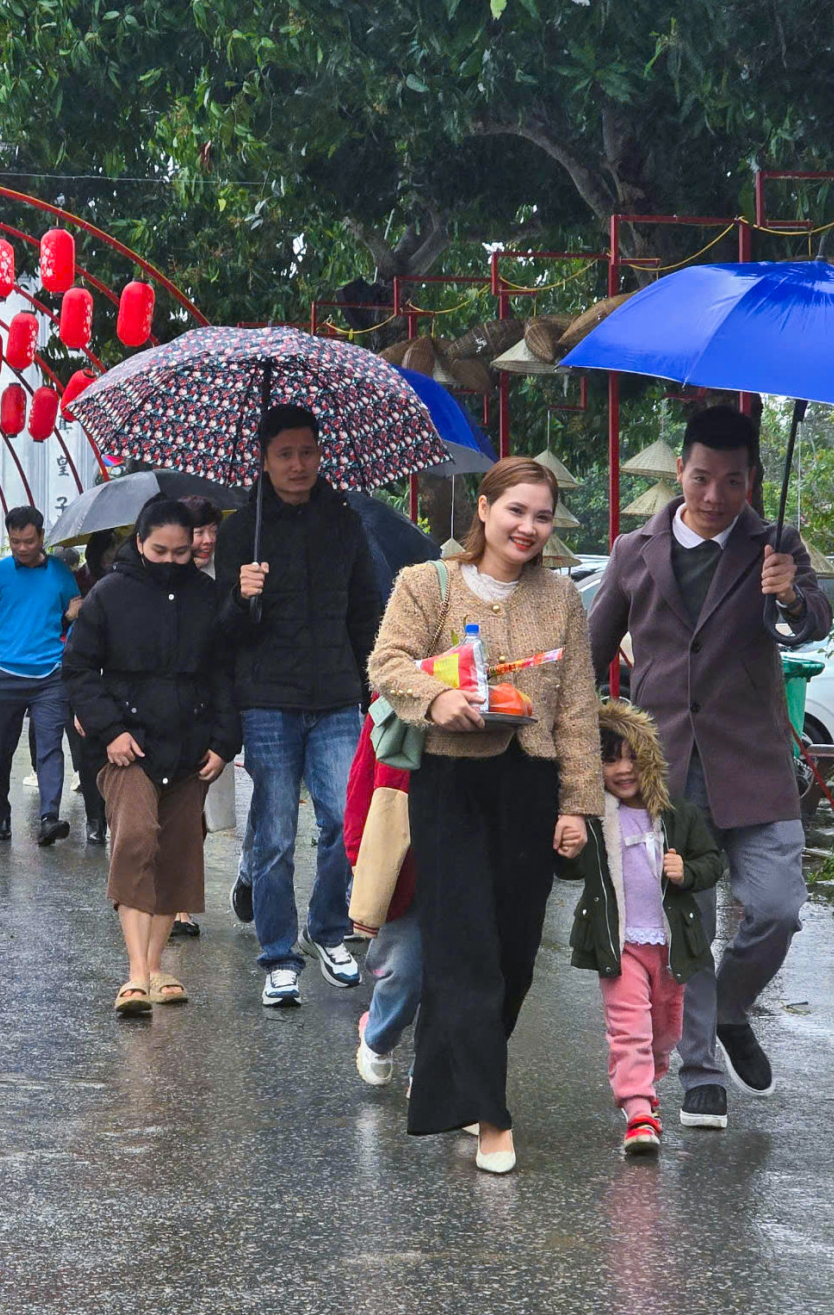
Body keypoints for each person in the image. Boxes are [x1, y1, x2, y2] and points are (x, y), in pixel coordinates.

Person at [588, 405, 831, 1130]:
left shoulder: (774, 542)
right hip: (668, 764)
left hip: (754, 764)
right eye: (702, 477)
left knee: (778, 908)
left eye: (732, 480)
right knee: (685, 920)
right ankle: (699, 1072)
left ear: (753, 480)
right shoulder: (635, 549)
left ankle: (728, 1009)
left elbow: (811, 621)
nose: (716, 494)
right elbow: (593, 644)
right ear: (679, 473)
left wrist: (788, 591)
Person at [367, 456, 601, 1172]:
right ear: (485, 509)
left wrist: (578, 806)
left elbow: (580, 708)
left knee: (513, 956)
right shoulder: (425, 583)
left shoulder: (562, 596)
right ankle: (492, 1115)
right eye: (516, 511)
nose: (528, 527)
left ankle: (456, 1081)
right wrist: (437, 699)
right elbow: (386, 662)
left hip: (528, 788)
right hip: (451, 785)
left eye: (541, 516)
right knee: (465, 949)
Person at [216, 405, 382, 1004]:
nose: (298, 464)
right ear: (263, 459)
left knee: (343, 820)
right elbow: (220, 629)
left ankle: (327, 928)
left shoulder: (343, 520)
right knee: (276, 831)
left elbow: (366, 608)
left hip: (336, 695)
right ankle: (278, 952)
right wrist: (241, 596)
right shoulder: (242, 529)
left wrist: (373, 685)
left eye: (307, 451)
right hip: (267, 702)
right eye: (285, 453)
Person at [64, 498, 240, 1015]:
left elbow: (225, 673)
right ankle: (137, 972)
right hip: (125, 747)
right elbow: (77, 669)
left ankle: (157, 966)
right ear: (138, 542)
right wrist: (110, 730)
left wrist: (224, 743)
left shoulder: (208, 596)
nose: (169, 559)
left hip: (191, 744)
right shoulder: (108, 595)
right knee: (138, 837)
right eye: (159, 549)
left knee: (180, 852)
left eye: (181, 552)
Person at [561, 700, 726, 1158]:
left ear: (650, 759)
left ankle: (647, 1083)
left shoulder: (678, 815)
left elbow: (714, 861)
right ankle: (638, 1111)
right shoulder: (595, 822)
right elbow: (570, 873)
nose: (623, 769)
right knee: (628, 1028)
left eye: (632, 756)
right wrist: (568, 848)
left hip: (672, 949)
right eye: (609, 759)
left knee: (664, 1031)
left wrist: (687, 871)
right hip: (620, 946)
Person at [0, 505, 83, 845]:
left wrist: (71, 614)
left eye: (27, 541)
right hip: (5, 676)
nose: (21, 548)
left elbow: (75, 612)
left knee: (50, 747)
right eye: (14, 542)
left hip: (50, 675)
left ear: (41, 537)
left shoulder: (59, 573)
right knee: (1, 751)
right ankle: (0, 814)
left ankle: (49, 817)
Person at [344, 711, 418, 1089]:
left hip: (458, 853)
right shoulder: (393, 704)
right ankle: (378, 1034)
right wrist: (358, 854)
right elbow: (361, 780)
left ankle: (427, 1070)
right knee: (405, 970)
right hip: (402, 862)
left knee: (453, 975)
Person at [174, 495, 231, 938]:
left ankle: (181, 898)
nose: (206, 540)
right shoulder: (160, 580)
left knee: (200, 812)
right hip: (166, 712)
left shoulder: (227, 580)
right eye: (198, 531)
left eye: (212, 530)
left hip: (210, 711)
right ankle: (171, 900)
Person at [69, 529, 122, 849]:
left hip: (120, 679)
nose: (112, 556)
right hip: (88, 676)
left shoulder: (134, 584)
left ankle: (114, 817)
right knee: (89, 755)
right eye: (108, 550)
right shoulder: (80, 582)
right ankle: (94, 820)